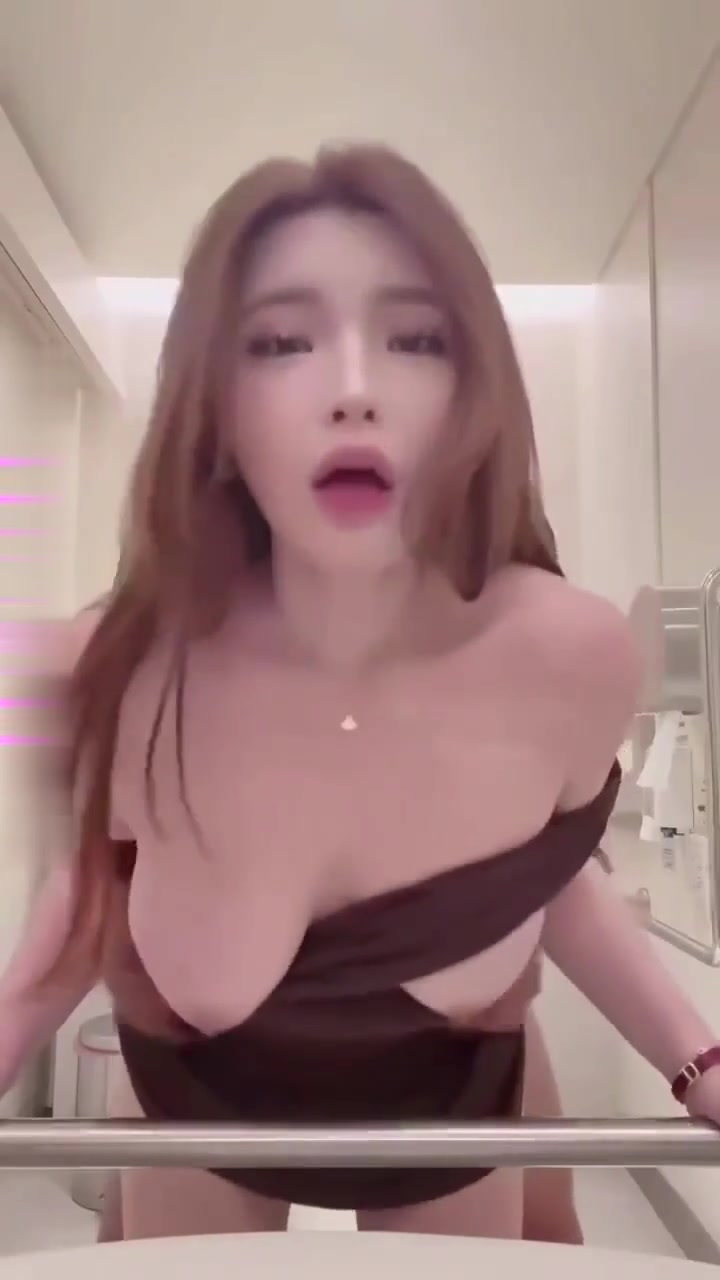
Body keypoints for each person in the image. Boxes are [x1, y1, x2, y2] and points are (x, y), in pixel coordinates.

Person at [1, 144, 718, 1243]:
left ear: (474, 390)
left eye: (416, 339)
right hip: (192, 1102)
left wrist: (697, 1056)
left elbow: (550, 874)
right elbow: (94, 881)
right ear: (214, 402)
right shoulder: (111, 668)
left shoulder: (568, 656)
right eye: (281, 341)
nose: (353, 389)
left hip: (454, 1106)